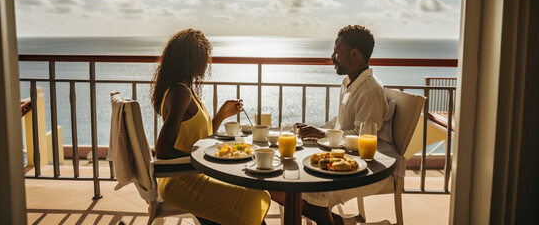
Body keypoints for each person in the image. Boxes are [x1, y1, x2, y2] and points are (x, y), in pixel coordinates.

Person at [269, 25, 389, 225]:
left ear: (354, 53)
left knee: (312, 189)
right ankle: (341, 223)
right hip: (343, 157)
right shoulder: (349, 83)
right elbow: (340, 121)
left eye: (336, 51)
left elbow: (362, 138)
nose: (332, 57)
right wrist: (317, 132)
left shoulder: (370, 90)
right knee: (278, 182)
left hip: (364, 168)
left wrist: (323, 136)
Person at [150, 29, 271, 225]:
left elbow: (198, 138)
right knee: (252, 197)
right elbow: (163, 150)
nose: (207, 62)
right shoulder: (181, 93)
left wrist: (221, 115)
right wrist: (204, 161)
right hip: (183, 181)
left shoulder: (182, 90)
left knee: (254, 191)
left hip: (191, 174)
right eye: (204, 57)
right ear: (193, 60)